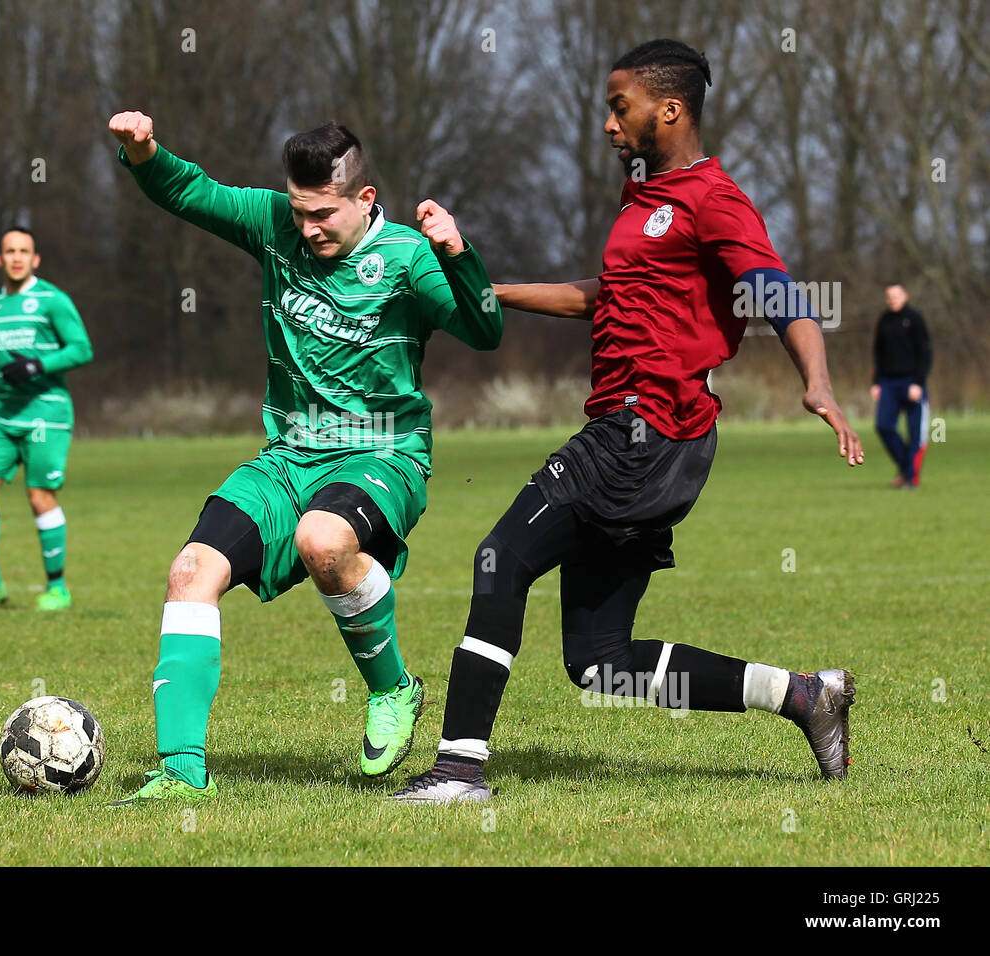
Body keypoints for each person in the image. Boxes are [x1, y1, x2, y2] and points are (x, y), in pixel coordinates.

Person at [392, 39, 864, 805]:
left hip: (643, 433)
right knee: (598, 659)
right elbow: (605, 294)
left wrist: (818, 383)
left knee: (498, 558)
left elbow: (779, 294)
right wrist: (492, 290)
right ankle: (807, 697)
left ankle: (458, 770)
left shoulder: (713, 199)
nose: (610, 125)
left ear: (668, 109)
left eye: (622, 108)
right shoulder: (641, 197)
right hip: (648, 440)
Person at [107, 111, 502, 802]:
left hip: (384, 455)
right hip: (287, 457)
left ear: (365, 199)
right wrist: (144, 152)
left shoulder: (408, 258)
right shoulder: (275, 225)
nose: (308, 228)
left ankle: (393, 689)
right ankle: (180, 772)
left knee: (323, 541)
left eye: (323, 214)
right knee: (189, 571)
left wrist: (459, 254)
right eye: (299, 211)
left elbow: (484, 328)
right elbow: (190, 193)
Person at [0, 227, 94, 612]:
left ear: (35, 259)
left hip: (46, 413)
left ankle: (57, 589)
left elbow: (81, 349)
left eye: (23, 251)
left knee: (40, 496)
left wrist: (36, 365)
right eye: (9, 251)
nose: (16, 257)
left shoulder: (52, 300)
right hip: (1, 415)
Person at [871, 283, 931, 488]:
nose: (892, 299)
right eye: (889, 296)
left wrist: (918, 383)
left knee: (916, 434)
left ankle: (911, 479)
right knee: (883, 426)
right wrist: (876, 382)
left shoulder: (914, 318)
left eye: (896, 295)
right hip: (888, 382)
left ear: (905, 295)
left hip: (912, 382)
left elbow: (925, 352)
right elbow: (878, 352)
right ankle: (906, 467)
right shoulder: (884, 320)